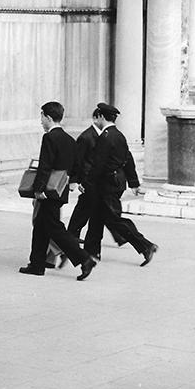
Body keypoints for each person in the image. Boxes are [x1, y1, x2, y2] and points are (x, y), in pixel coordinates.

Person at [19, 101, 98, 281]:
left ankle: (85, 259)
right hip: (59, 190)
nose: (40, 120)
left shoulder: (49, 138)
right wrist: (73, 182)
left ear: (48, 117)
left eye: (41, 116)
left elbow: (45, 167)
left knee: (54, 227)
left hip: (47, 191)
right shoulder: (69, 139)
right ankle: (37, 264)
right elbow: (76, 166)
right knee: (41, 226)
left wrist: (38, 189)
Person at [47, 109, 126, 269]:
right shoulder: (86, 137)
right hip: (90, 185)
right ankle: (75, 252)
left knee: (92, 219)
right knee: (80, 220)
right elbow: (79, 161)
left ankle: (85, 253)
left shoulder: (109, 135)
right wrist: (77, 181)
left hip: (99, 186)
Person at [84, 103, 158, 266]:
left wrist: (87, 183)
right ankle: (91, 253)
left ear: (102, 117)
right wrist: (133, 182)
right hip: (116, 183)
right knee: (96, 217)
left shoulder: (105, 137)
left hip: (106, 185)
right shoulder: (119, 135)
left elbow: (98, 164)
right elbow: (128, 159)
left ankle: (146, 245)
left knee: (114, 219)